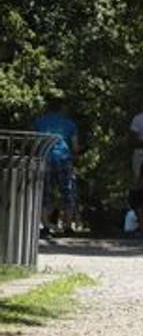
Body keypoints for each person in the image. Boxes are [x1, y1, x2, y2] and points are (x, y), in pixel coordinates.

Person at [34, 100, 79, 235]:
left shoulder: (40, 121)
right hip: (63, 157)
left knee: (44, 192)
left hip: (45, 157)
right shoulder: (70, 123)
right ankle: (67, 226)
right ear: (62, 108)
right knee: (68, 192)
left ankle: (45, 225)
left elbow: (36, 141)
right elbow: (75, 146)